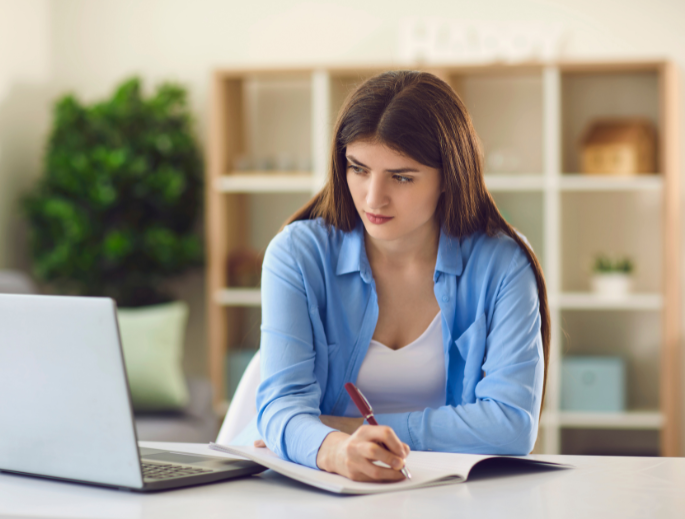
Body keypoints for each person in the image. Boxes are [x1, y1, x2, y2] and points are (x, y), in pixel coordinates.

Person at [234, 70, 550, 483]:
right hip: (314, 484)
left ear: (449, 178)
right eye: (358, 168)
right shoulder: (297, 255)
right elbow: (280, 409)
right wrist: (335, 451)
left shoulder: (503, 264)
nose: (372, 197)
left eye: (401, 177)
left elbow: (511, 426)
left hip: (442, 493)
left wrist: (350, 429)